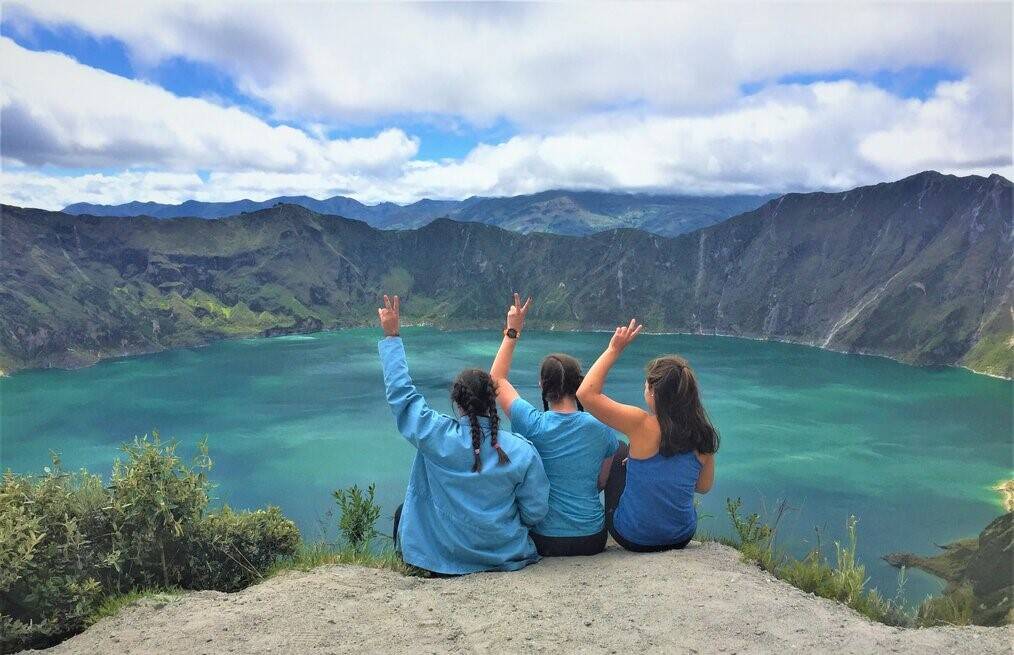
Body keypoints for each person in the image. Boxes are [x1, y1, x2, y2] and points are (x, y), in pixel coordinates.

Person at [377, 294, 550, 574]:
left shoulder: (436, 436)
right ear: (493, 401)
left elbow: (403, 397)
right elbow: (535, 511)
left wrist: (392, 336)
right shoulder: (521, 451)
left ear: (457, 402)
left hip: (438, 557)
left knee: (402, 512)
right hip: (504, 553)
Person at [489, 293, 620, 557]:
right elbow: (600, 483)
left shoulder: (532, 423)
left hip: (544, 539)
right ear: (578, 386)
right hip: (592, 538)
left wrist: (512, 330)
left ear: (542, 386)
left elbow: (497, 379)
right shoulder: (601, 427)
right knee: (622, 450)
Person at [577, 319, 718, 552]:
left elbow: (586, 393)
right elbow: (703, 486)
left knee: (619, 449)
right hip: (680, 536)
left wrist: (614, 349)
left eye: (646, 385)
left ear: (654, 392)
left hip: (634, 537)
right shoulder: (703, 434)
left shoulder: (640, 424)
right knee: (629, 455)